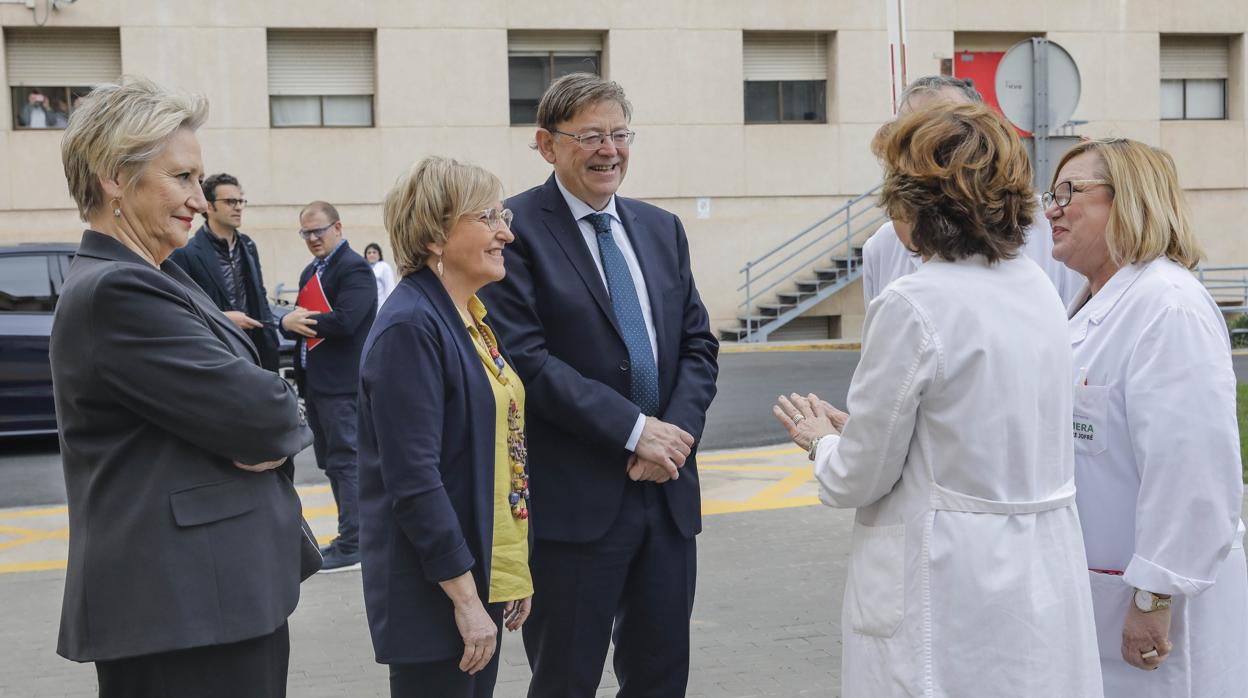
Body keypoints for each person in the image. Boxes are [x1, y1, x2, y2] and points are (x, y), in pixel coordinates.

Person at [772, 102, 1102, 696]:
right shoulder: (1034, 288)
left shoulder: (913, 302)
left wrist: (822, 442)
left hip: (947, 580)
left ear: (915, 204)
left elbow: (858, 479)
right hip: (1038, 573)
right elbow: (980, 428)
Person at [50, 77, 314, 697]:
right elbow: (268, 413)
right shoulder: (119, 291)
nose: (200, 199)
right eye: (183, 178)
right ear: (116, 175)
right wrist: (274, 420)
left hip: (209, 604)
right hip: (183, 616)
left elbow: (261, 406)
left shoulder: (158, 277)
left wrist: (268, 417)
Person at [479, 73, 719, 697]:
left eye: (619, 134)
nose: (608, 150)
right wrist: (635, 432)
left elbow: (697, 345)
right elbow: (526, 359)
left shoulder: (661, 228)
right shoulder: (515, 230)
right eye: (589, 136)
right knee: (566, 678)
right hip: (576, 505)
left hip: (665, 496)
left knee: (662, 675)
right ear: (547, 145)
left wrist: (674, 440)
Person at [1045, 138, 1248, 696]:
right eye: (1050, 194)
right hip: (1099, 592)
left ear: (1130, 200)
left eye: (1068, 192)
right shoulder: (1092, 303)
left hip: (1154, 612)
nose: (1051, 209)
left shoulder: (1168, 306)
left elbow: (1193, 470)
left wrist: (1154, 596)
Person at [358, 156, 532, 698]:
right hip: (440, 596)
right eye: (488, 218)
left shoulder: (469, 319)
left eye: (503, 216)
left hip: (478, 580)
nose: (506, 232)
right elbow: (414, 480)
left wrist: (511, 570)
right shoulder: (411, 326)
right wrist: (465, 599)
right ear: (435, 235)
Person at [861, 75, 1084, 306]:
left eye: (949, 130)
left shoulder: (1048, 225)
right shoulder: (882, 248)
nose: (927, 148)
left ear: (982, 137)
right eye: (911, 135)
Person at [281, 201, 377, 571]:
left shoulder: (354, 268)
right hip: (318, 385)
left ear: (338, 228)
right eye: (305, 232)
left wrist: (294, 322)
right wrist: (287, 323)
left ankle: (354, 541)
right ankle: (349, 535)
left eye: (318, 230)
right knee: (332, 462)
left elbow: (347, 321)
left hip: (342, 384)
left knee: (345, 462)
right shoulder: (311, 270)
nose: (312, 238)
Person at [170, 172, 282, 373]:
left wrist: (272, 336)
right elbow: (177, 311)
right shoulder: (185, 252)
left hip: (256, 352)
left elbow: (260, 296)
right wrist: (222, 319)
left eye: (240, 201)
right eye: (230, 201)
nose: (238, 207)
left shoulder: (248, 246)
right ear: (209, 206)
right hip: (216, 354)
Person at [364, 241, 397, 307]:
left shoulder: (384, 267)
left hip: (381, 306)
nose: (371, 255)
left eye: (374, 252)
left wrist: (390, 306)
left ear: (379, 255)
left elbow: (390, 287)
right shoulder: (364, 269)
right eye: (369, 253)